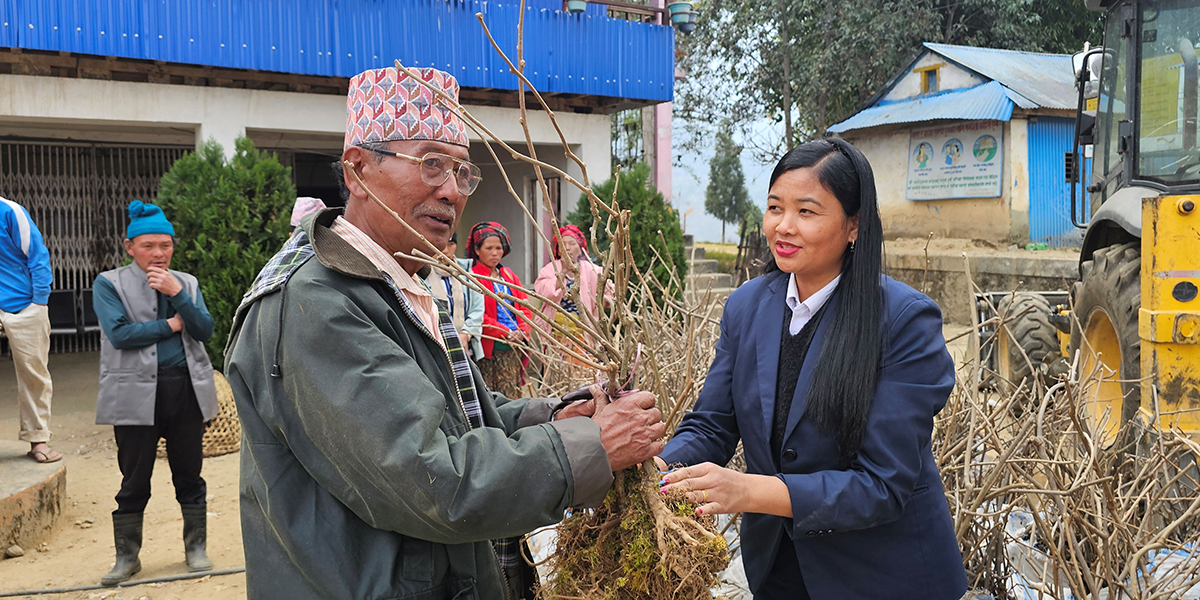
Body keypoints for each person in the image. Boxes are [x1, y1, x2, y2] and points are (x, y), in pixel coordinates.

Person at [224, 65, 666, 600]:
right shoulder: (315, 303)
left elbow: (456, 417)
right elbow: (434, 479)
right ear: (358, 170)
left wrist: (553, 415)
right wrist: (592, 445)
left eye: (462, 172)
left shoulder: (396, 282)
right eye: (431, 164)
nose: (452, 191)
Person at [656, 139, 967, 599]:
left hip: (882, 575)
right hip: (778, 569)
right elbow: (713, 426)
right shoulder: (746, 306)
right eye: (775, 207)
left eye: (807, 211)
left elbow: (882, 484)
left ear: (854, 226)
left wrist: (747, 492)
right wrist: (660, 469)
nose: (784, 226)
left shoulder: (902, 320)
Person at [93, 200, 218, 585]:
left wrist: (177, 293)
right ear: (129, 247)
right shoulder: (109, 283)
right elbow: (120, 334)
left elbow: (205, 329)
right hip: (133, 393)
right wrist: (171, 325)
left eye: (165, 245)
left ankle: (196, 548)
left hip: (184, 391)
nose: (159, 253)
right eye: (148, 245)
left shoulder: (187, 282)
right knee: (133, 481)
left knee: (190, 474)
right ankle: (126, 557)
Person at [0, 197, 60, 463]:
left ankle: (38, 439)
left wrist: (39, 302)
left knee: (33, 373)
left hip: (23, 303)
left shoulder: (10, 211)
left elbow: (37, 254)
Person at [468, 221, 534, 398]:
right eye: (489, 248)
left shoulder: (509, 275)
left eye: (498, 248)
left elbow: (525, 307)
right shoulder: (472, 277)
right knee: (492, 396)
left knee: (512, 394)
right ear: (477, 250)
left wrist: (522, 330)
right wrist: (505, 331)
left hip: (513, 347)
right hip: (489, 348)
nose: (495, 253)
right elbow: (477, 315)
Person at [533, 224, 612, 350]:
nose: (567, 248)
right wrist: (563, 272)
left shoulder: (592, 270)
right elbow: (543, 292)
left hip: (584, 333)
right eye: (563, 244)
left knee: (583, 367)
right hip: (556, 333)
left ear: (581, 249)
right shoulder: (549, 269)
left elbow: (609, 295)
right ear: (558, 249)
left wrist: (599, 303)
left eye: (572, 243)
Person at [425, 232, 485, 360]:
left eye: (451, 244)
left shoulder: (466, 273)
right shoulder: (422, 273)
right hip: (436, 348)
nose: (445, 250)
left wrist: (465, 334)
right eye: (440, 244)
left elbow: (477, 309)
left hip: (465, 347)